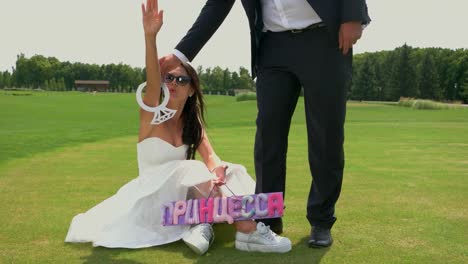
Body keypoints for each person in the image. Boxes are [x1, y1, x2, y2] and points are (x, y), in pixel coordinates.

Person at [64, 0, 291, 254]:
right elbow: (152, 80)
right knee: (190, 168)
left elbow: (211, 156)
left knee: (233, 172)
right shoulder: (151, 114)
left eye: (181, 80)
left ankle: (202, 223)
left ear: (192, 89)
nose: (173, 83)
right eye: (169, 78)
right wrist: (150, 37)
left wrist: (217, 171)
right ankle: (246, 231)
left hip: (180, 202)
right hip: (151, 200)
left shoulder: (193, 124)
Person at [159, 0, 370, 248]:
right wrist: (181, 54)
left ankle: (321, 220)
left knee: (326, 135)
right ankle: (269, 218)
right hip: (272, 45)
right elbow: (217, 5)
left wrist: (353, 15)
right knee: (268, 136)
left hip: (324, 37)